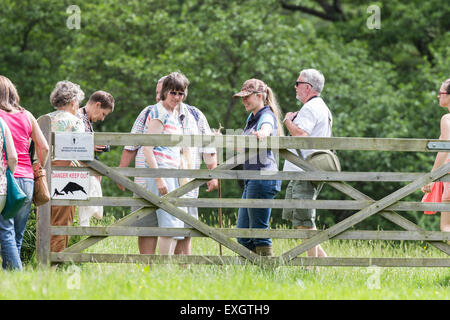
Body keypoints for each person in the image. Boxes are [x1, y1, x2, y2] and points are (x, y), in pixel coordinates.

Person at [119, 73, 218, 256]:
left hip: (185, 180)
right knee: (151, 226)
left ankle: (178, 272)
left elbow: (208, 146)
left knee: (180, 226)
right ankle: (150, 270)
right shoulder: (153, 112)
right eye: (169, 92)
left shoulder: (194, 115)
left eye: (180, 93)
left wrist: (213, 174)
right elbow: (133, 145)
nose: (175, 97)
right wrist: (123, 173)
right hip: (153, 178)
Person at [0, 75, 49, 270]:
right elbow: (43, 147)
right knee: (15, 235)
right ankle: (10, 278)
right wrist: (38, 167)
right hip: (28, 180)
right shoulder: (27, 115)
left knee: (6, 231)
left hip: (6, 178)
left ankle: (16, 274)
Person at [282, 68, 331, 259]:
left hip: (305, 170)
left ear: (308, 87)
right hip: (306, 169)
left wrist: (287, 120)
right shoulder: (319, 106)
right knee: (302, 219)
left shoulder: (311, 107)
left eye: (298, 83)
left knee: (305, 221)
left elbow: (302, 134)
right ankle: (324, 261)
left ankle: (314, 268)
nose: (295, 87)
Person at [233, 78, 283, 256]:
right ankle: (253, 271)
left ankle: (268, 272)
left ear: (260, 96)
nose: (244, 100)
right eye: (242, 97)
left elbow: (267, 126)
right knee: (243, 235)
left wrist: (263, 133)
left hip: (262, 178)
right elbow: (243, 146)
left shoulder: (266, 115)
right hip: (252, 178)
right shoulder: (252, 117)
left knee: (258, 233)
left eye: (247, 96)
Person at [44, 80, 85, 252]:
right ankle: (54, 264)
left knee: (44, 220)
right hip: (67, 174)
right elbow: (78, 153)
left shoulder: (44, 119)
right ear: (73, 101)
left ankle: (42, 259)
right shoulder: (76, 122)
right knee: (62, 221)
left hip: (43, 175)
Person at [422, 78, 450, 233]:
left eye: (441, 93)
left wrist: (432, 177)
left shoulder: (447, 119)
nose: (438, 96)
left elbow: (445, 148)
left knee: (446, 227)